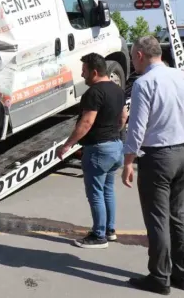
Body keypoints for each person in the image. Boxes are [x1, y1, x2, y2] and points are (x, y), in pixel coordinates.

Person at [122, 36, 184, 295]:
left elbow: (137, 128)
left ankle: (159, 277)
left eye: (132, 57)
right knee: (178, 216)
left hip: (158, 158)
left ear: (139, 55)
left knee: (158, 219)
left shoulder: (144, 83)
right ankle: (182, 275)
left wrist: (128, 160)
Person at [57, 53, 127, 249]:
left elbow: (87, 122)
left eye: (84, 71)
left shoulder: (94, 93)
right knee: (108, 190)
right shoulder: (118, 90)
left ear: (94, 72)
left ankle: (99, 236)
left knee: (95, 193)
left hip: (98, 150)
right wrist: (114, 133)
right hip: (115, 146)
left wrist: (68, 144)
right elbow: (123, 117)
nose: (82, 74)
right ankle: (109, 230)